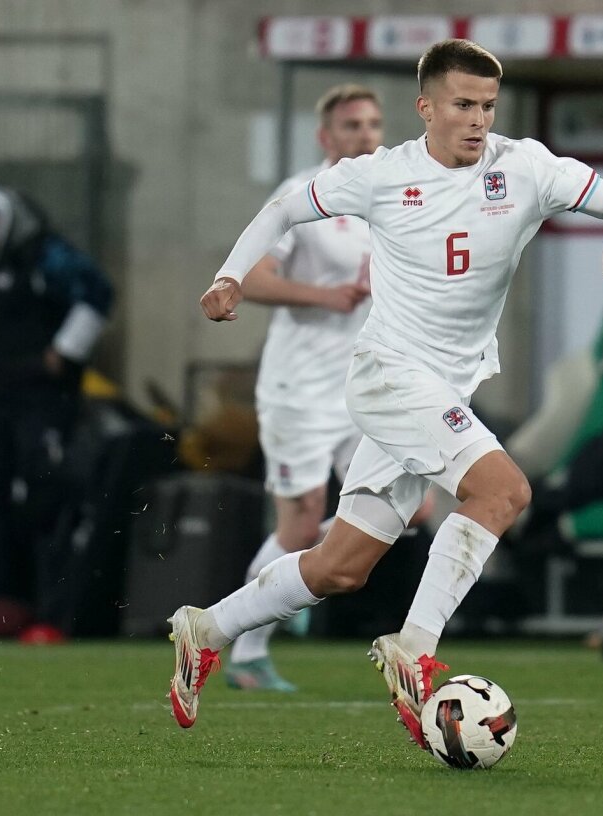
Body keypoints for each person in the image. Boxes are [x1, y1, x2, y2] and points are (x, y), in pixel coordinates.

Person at [170, 39, 603, 748]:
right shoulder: (381, 176)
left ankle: (206, 628)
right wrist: (229, 276)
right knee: (504, 492)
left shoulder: (524, 167)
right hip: (392, 378)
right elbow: (280, 210)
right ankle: (414, 648)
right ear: (426, 107)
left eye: (487, 105)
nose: (478, 119)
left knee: (340, 568)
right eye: (462, 104)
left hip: (440, 388)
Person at [221, 84, 381, 693]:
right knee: (301, 520)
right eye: (350, 125)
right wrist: (324, 295)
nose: (365, 134)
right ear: (326, 137)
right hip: (301, 388)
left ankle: (304, 576)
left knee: (412, 503)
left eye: (372, 123)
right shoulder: (301, 195)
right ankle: (245, 652)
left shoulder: (392, 193)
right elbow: (253, 277)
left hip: (366, 385)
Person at [0, 182, 113, 642]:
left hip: (39, 398)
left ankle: (50, 616)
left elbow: (98, 294)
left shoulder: (44, 254)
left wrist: (63, 353)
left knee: (46, 493)